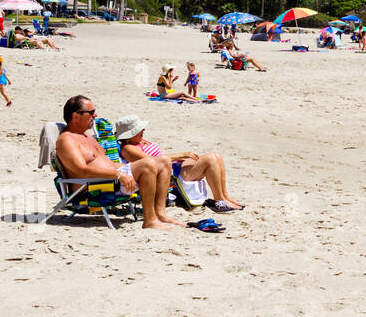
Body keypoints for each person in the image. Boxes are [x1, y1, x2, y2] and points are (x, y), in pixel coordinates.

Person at [55, 95, 176, 229]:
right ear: (76, 116)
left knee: (164, 161)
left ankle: (160, 213)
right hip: (95, 187)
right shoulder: (67, 140)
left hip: (111, 179)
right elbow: (81, 170)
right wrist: (119, 175)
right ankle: (150, 220)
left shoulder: (86, 136)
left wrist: (125, 169)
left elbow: (108, 163)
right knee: (148, 164)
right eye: (91, 112)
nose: (95, 115)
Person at [115, 115, 244, 212]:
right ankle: (219, 200)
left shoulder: (139, 141)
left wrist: (178, 158)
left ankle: (225, 197)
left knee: (217, 157)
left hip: (172, 166)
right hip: (169, 175)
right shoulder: (128, 148)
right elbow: (152, 161)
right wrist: (181, 155)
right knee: (211, 159)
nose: (143, 130)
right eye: (138, 130)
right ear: (129, 135)